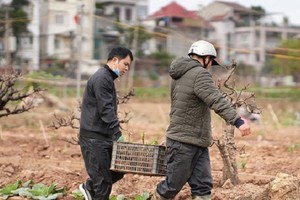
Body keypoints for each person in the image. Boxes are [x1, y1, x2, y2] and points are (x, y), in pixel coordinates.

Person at [151, 40, 251, 200]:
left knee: (203, 187)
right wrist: (238, 121)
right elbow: (215, 100)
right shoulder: (199, 74)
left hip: (196, 142)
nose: (211, 65)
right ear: (205, 57)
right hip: (184, 142)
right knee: (171, 186)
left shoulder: (179, 74)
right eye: (211, 61)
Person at [79, 46, 133, 200]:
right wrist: (117, 134)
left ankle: (89, 186)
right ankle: (93, 187)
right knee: (103, 185)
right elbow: (106, 110)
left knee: (117, 171)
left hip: (103, 136)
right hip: (94, 138)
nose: (126, 68)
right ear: (115, 60)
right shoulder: (102, 78)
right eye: (125, 64)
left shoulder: (107, 78)